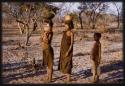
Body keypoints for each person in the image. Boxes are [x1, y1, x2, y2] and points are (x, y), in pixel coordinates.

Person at [58, 15, 74, 82]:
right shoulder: (64, 32)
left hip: (68, 50)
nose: (65, 26)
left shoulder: (71, 33)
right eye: (65, 25)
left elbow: (72, 44)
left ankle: (69, 78)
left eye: (67, 25)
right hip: (63, 50)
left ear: (70, 25)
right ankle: (67, 77)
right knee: (64, 63)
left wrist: (68, 51)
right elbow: (62, 41)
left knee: (68, 63)